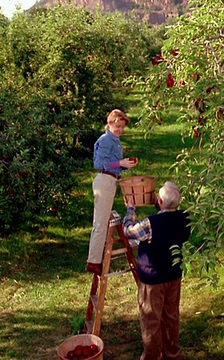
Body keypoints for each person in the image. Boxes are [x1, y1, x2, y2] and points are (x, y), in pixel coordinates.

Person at [123, 181, 191, 360]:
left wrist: (130, 210)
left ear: (160, 201)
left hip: (152, 279)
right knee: (171, 316)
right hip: (174, 275)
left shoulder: (151, 224)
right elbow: (169, 218)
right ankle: (172, 354)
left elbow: (129, 231)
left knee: (151, 319)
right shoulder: (184, 218)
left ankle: (153, 356)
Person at [86, 109, 137, 274]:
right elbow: (99, 164)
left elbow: (112, 162)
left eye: (122, 127)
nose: (120, 130)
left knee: (104, 220)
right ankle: (93, 262)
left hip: (111, 180)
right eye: (117, 126)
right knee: (100, 222)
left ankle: (100, 257)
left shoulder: (114, 140)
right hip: (104, 180)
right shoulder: (106, 140)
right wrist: (119, 163)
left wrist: (123, 164)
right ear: (109, 124)